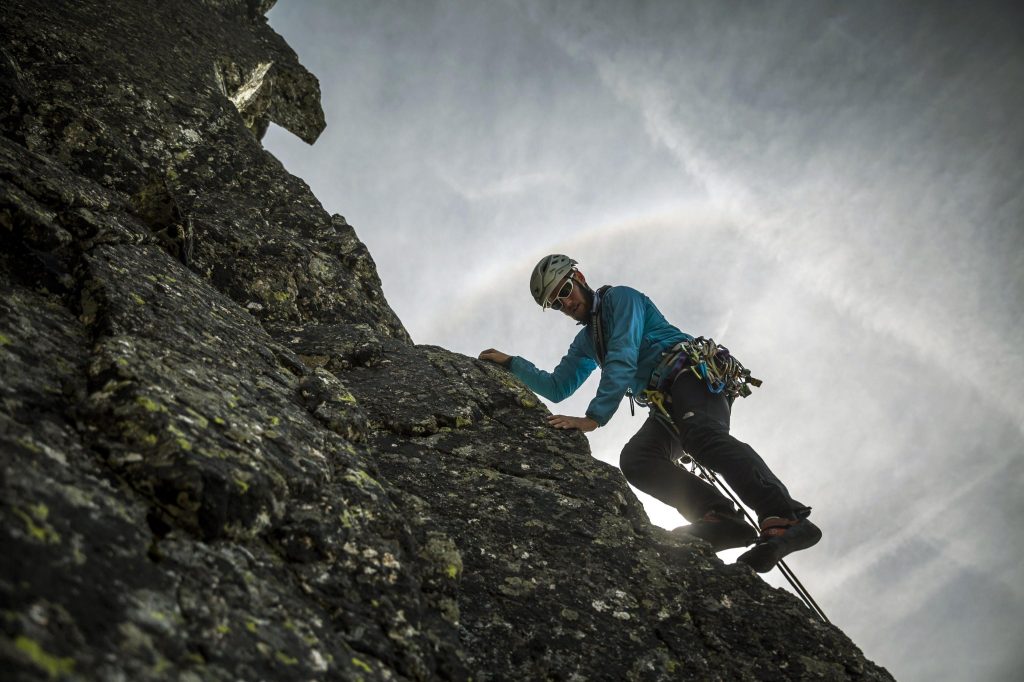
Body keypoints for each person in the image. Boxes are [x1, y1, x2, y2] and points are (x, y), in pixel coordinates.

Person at [479, 254, 820, 572]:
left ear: (579, 277)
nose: (565, 303)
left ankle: (785, 516)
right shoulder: (587, 341)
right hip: (667, 405)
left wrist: (594, 417)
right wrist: (512, 364)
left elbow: (623, 356)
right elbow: (558, 386)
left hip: (693, 378)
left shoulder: (621, 299)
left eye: (565, 290)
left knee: (700, 436)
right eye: (555, 303)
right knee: (637, 460)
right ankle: (721, 518)